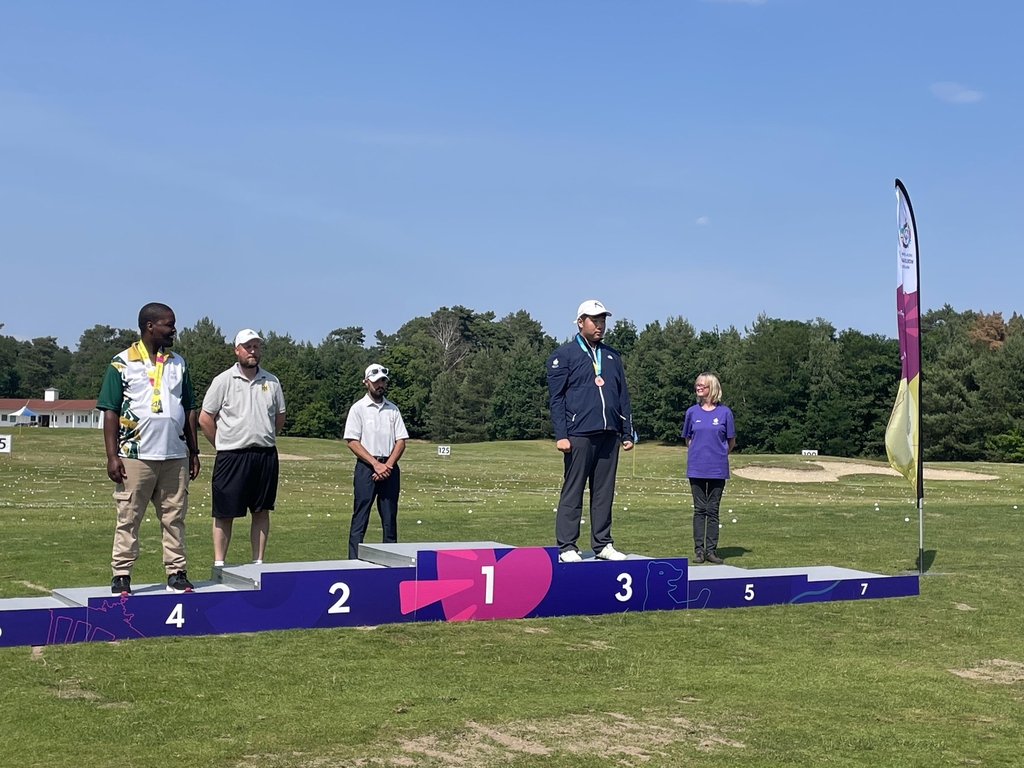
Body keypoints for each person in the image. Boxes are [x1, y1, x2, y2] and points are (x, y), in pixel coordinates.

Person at [97, 302, 201, 595]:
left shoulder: (178, 363)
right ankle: (121, 574)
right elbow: (110, 411)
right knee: (128, 517)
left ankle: (177, 572)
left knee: (174, 516)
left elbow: (189, 408)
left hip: (175, 455)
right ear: (150, 326)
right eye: (169, 325)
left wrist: (194, 451)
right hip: (135, 455)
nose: (174, 330)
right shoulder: (122, 362)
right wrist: (112, 456)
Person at [546, 299, 634, 563]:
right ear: (580, 322)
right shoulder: (564, 355)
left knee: (604, 493)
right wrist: (561, 434)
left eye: (603, 320)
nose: (600, 325)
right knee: (573, 490)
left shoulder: (612, 356)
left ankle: (603, 544)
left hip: (609, 433)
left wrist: (627, 432)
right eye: (594, 320)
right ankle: (567, 546)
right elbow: (557, 399)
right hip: (578, 434)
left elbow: (622, 396)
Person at [199, 329, 286, 567]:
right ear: (237, 349)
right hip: (231, 455)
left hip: (265, 455)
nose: (253, 351)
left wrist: (263, 434)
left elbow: (279, 417)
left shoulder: (272, 381)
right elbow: (205, 418)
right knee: (224, 512)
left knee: (261, 510)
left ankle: (258, 562)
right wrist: (221, 443)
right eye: (248, 347)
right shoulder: (223, 380)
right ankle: (220, 564)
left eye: (256, 346)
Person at [344, 364, 409, 559]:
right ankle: (353, 561)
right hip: (366, 468)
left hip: (389, 468)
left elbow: (401, 441)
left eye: (383, 381)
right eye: (376, 382)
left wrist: (387, 465)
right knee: (360, 517)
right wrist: (375, 464)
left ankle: (391, 562)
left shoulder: (393, 409)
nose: (380, 385)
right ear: (366, 383)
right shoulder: (358, 409)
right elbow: (352, 441)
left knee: (389, 518)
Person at [681, 372, 736, 564]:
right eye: (697, 385)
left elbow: (730, 441)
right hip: (696, 468)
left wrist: (718, 455)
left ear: (712, 387)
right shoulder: (691, 412)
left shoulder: (725, 413)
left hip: (717, 468)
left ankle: (711, 551)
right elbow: (688, 438)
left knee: (713, 510)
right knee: (699, 509)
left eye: (702, 385)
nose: (698, 387)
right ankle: (698, 551)